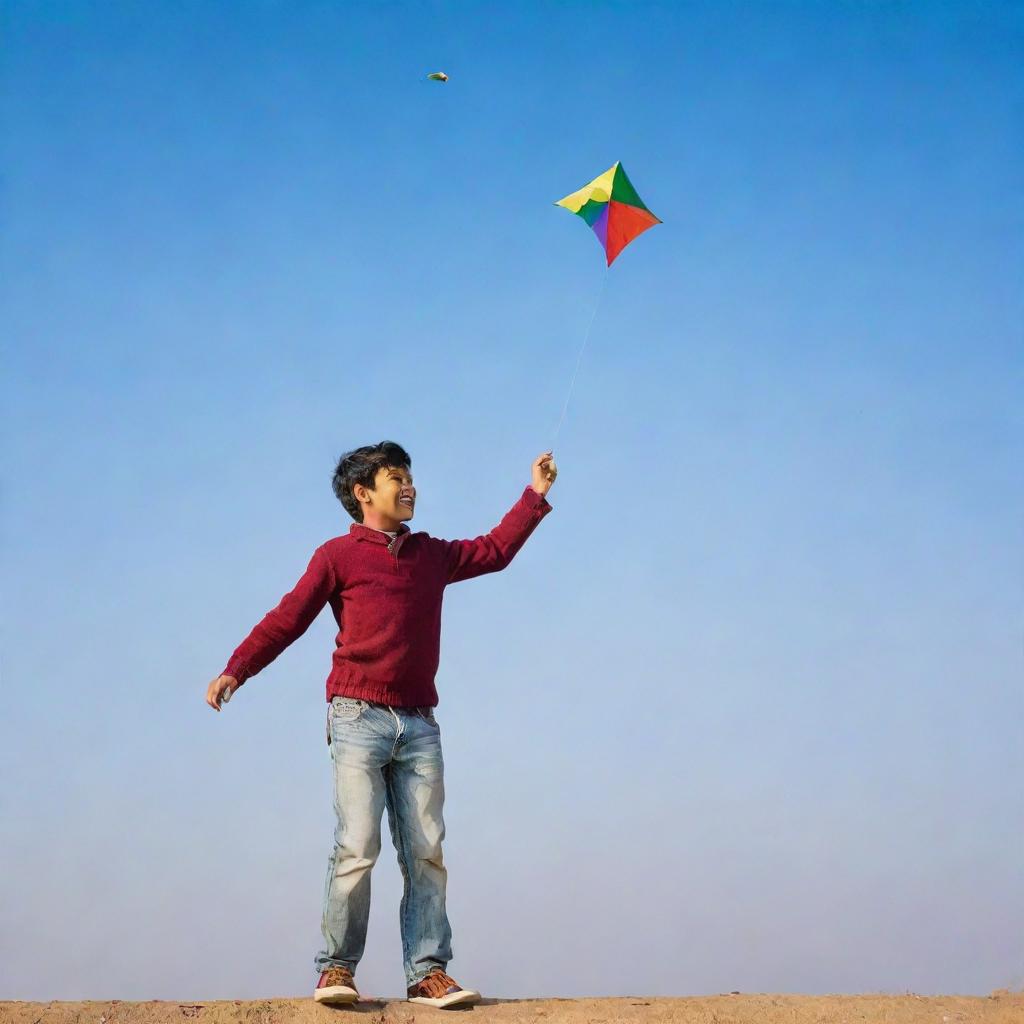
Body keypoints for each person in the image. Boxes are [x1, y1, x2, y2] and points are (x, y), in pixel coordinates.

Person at [205, 441, 556, 1008]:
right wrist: (236, 670)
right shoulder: (337, 556)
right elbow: (288, 618)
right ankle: (336, 969)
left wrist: (535, 494)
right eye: (397, 477)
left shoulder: (431, 555)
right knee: (357, 845)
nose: (410, 485)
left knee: (426, 850)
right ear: (364, 493)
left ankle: (427, 973)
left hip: (419, 723)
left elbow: (494, 550)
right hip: (357, 717)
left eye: (411, 476)